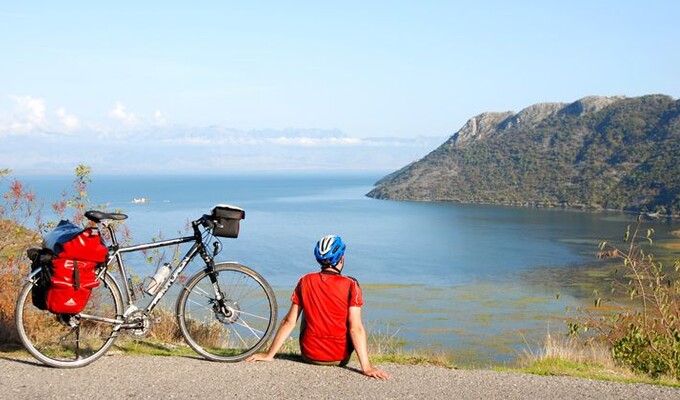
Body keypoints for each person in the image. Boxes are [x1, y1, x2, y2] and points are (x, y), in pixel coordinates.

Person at [247, 235, 390, 380]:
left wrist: (269, 355)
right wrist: (367, 367)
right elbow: (356, 328)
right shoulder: (351, 285)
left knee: (307, 305)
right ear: (341, 259)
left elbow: (289, 322)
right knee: (348, 316)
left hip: (310, 355)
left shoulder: (305, 280)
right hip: (339, 358)